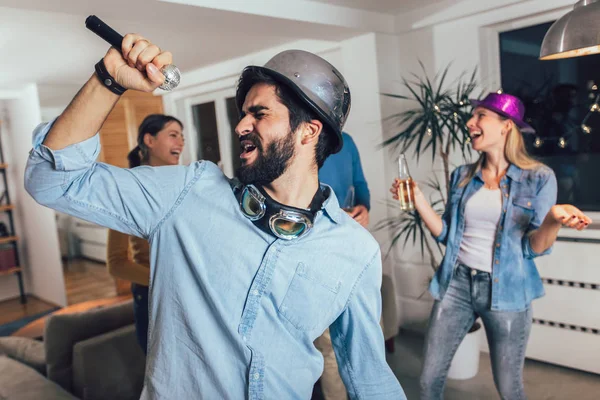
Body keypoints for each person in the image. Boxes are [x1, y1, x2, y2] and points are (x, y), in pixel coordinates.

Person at [25, 34, 405, 399]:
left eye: (259, 113)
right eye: (243, 115)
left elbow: (370, 379)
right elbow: (51, 180)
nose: (240, 125)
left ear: (308, 131)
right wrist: (108, 80)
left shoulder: (356, 251)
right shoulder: (187, 194)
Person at [390, 92, 591, 400]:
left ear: (506, 126)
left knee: (509, 388)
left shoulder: (538, 178)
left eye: (480, 115)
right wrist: (417, 199)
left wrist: (552, 219)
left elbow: (533, 248)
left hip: (508, 292)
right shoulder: (463, 176)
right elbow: (447, 234)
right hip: (456, 284)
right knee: (429, 380)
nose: (470, 122)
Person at [106, 114, 185, 354]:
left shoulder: (184, 184)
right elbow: (117, 264)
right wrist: (164, 280)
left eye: (182, 137)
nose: (181, 143)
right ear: (149, 140)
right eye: (173, 135)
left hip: (186, 293)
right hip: (152, 297)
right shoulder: (128, 192)